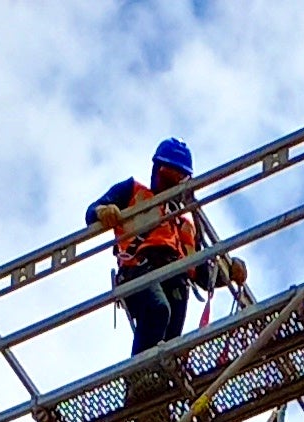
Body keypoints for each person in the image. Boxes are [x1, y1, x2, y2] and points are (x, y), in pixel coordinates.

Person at [89, 139, 216, 369]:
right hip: (139, 270)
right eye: (167, 176)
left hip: (175, 279)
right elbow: (92, 212)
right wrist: (103, 211)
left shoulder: (184, 225)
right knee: (158, 309)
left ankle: (161, 379)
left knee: (171, 340)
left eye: (178, 179)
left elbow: (203, 273)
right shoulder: (132, 192)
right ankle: (138, 376)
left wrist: (230, 271)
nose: (171, 185)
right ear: (156, 170)